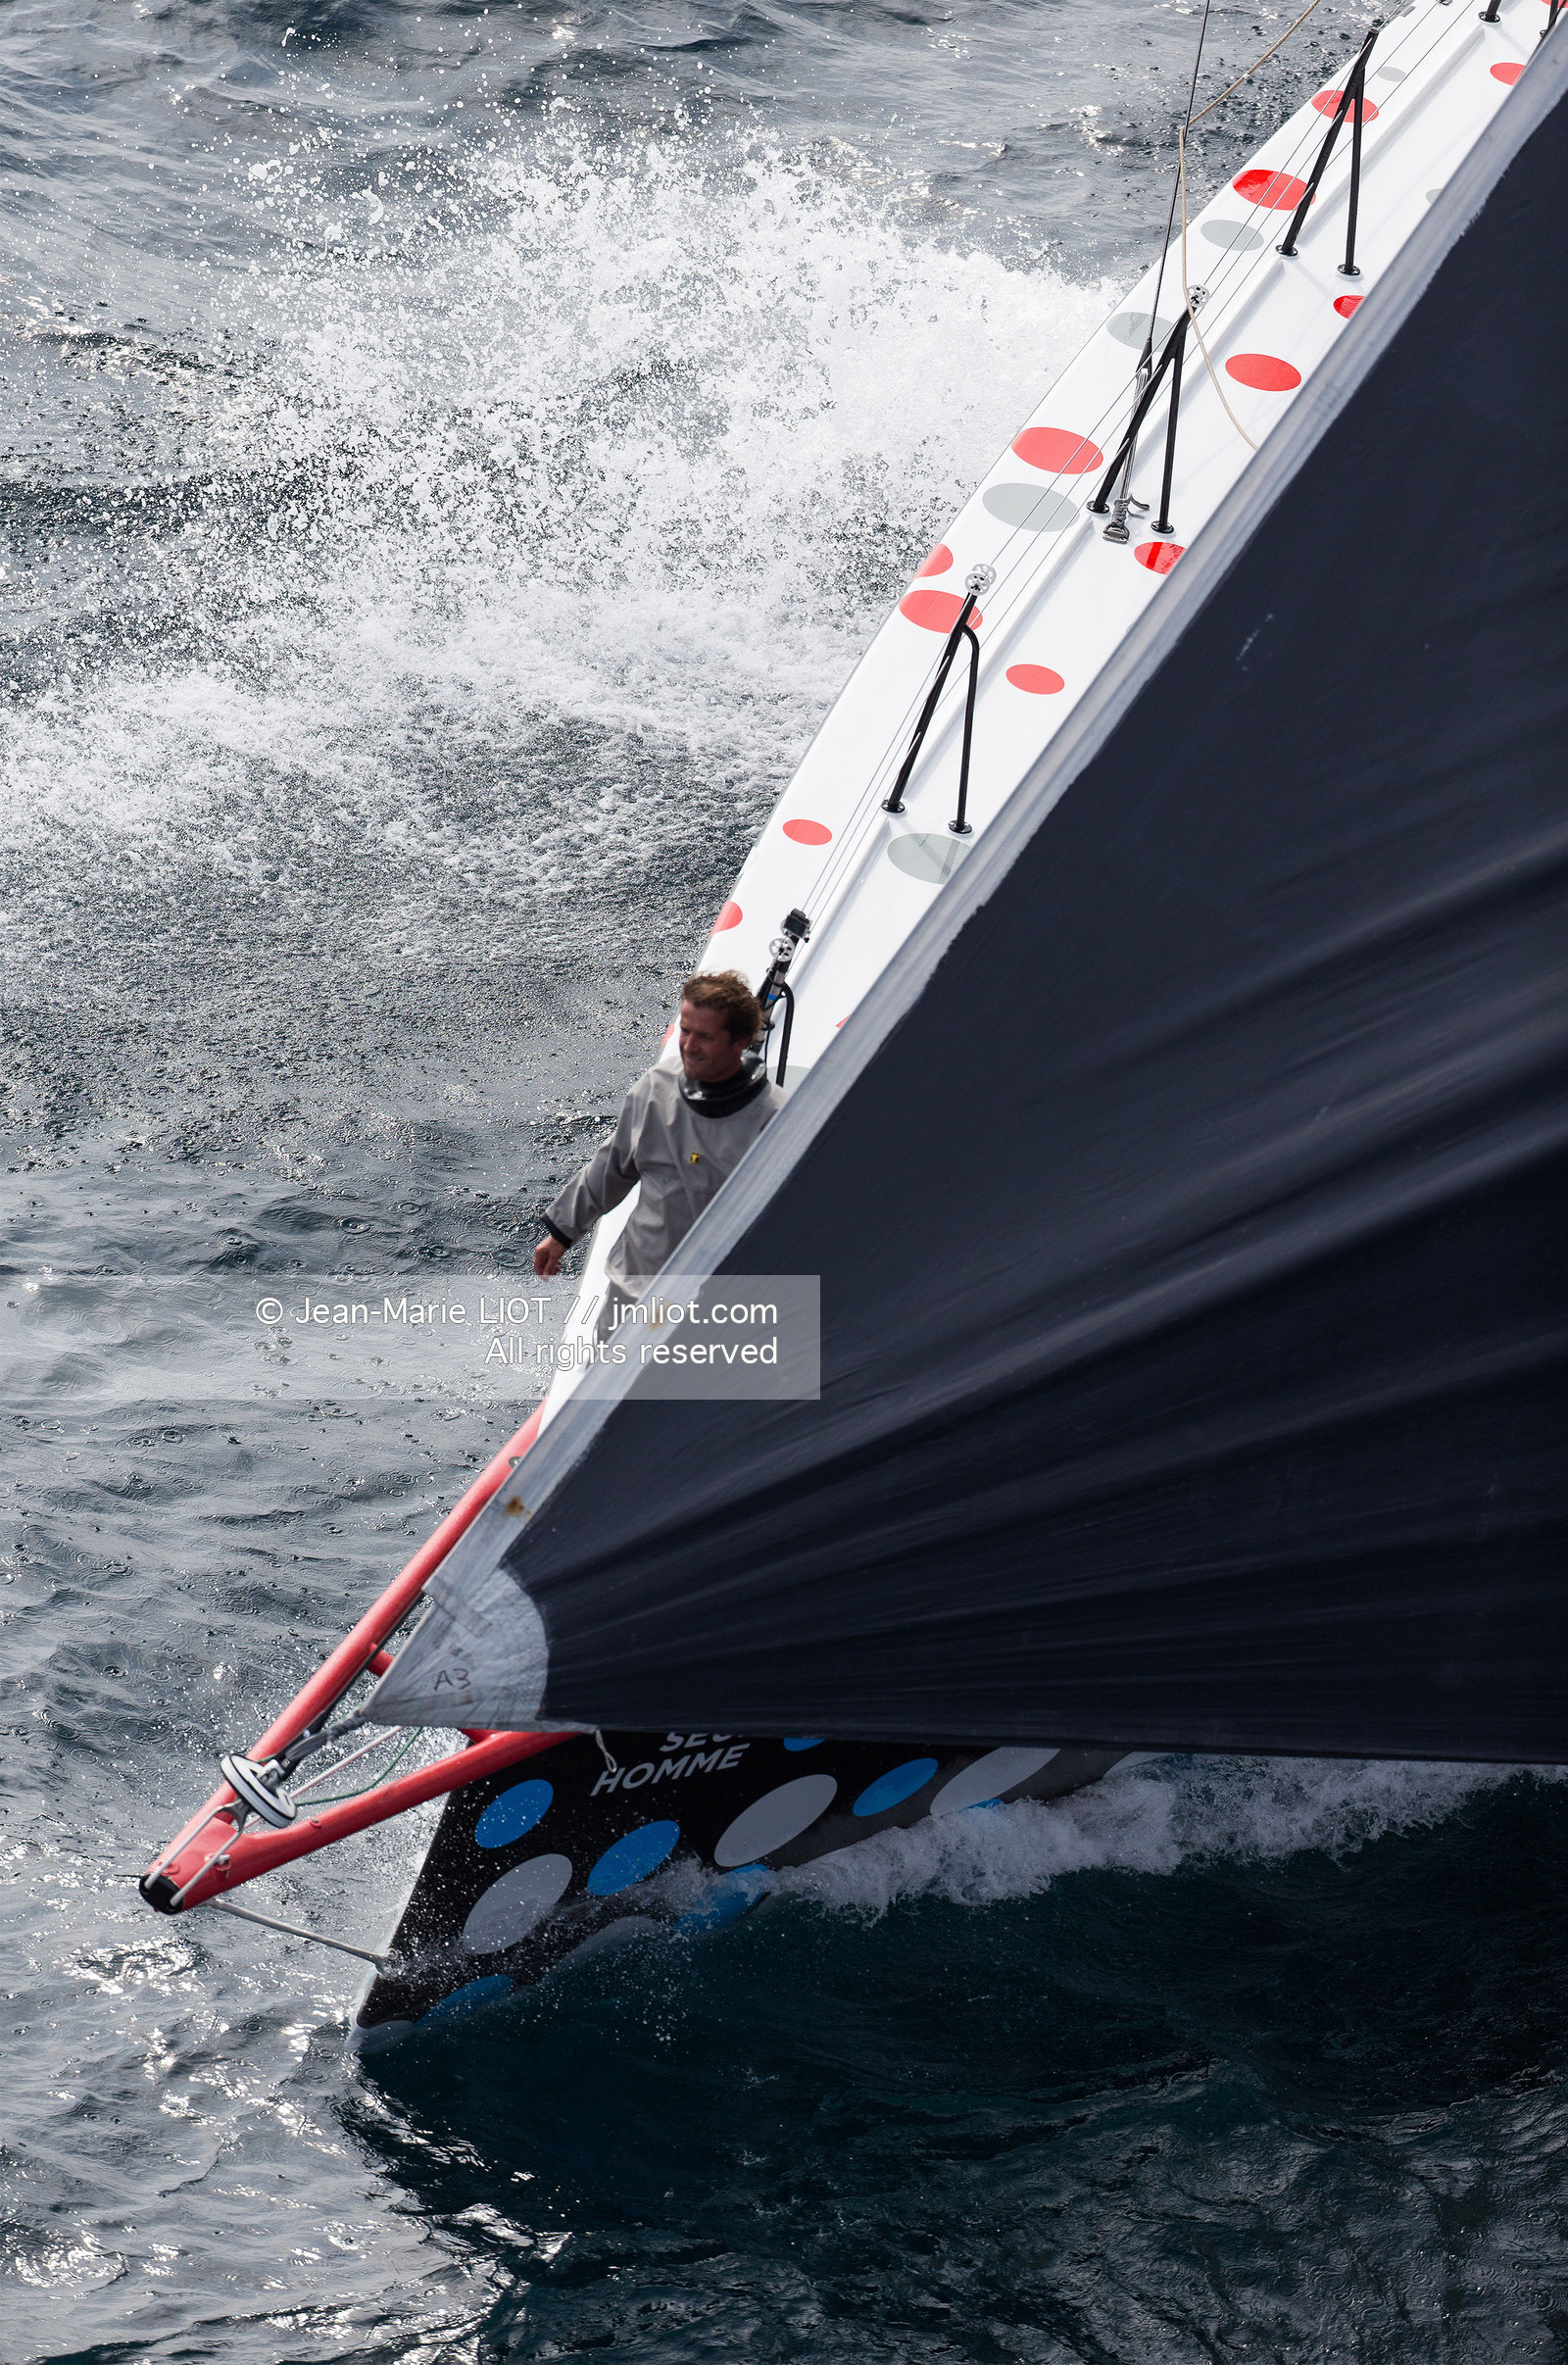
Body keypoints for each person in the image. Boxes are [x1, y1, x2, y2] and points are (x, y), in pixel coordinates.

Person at [534, 970, 784, 1313]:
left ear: (740, 1041)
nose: (689, 1046)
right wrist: (561, 1233)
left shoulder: (775, 1119)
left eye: (705, 1037)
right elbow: (611, 1166)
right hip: (635, 1287)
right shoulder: (657, 1088)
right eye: (685, 1031)